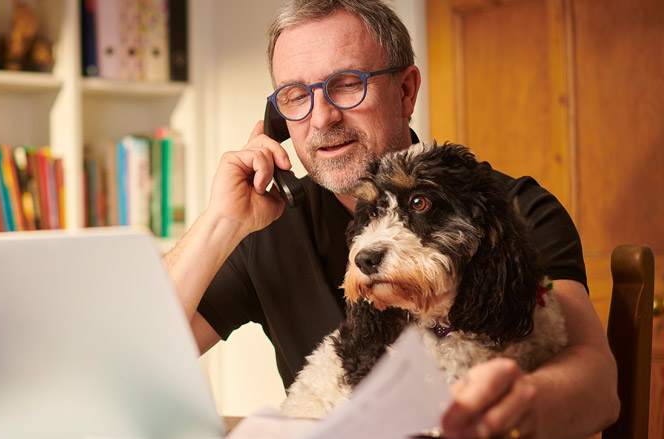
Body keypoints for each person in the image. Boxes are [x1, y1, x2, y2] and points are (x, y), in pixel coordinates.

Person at [162, 0, 620, 437]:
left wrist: (511, 407)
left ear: (405, 91)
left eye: (346, 83)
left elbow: (598, 385)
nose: (321, 117)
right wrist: (221, 222)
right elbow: (135, 353)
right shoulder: (267, 222)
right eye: (296, 95)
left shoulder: (511, 208)